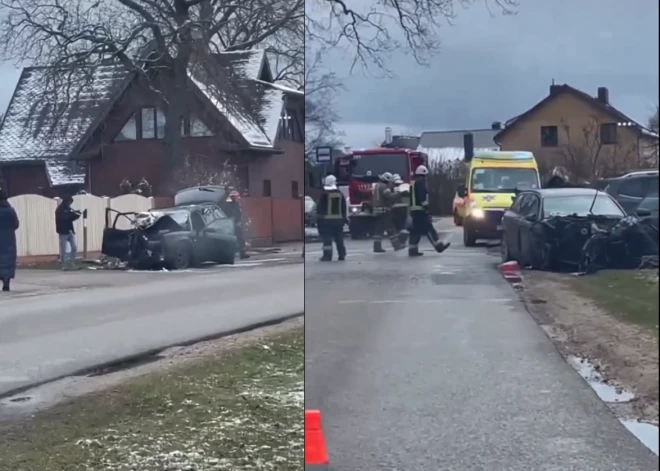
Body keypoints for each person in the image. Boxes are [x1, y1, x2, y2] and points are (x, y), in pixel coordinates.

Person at [408, 165, 451, 256]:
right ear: (423, 175)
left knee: (415, 231)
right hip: (420, 211)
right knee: (429, 228)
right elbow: (422, 198)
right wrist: (427, 209)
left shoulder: (413, 184)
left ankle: (412, 250)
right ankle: (439, 246)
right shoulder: (420, 183)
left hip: (414, 211)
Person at [315, 175, 347, 261]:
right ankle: (342, 254)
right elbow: (344, 208)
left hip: (326, 222)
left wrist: (317, 219)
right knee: (339, 239)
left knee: (327, 240)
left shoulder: (324, 195)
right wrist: (344, 219)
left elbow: (319, 208)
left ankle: (327, 256)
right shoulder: (340, 194)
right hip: (339, 222)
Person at [372, 172, 405, 253]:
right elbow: (389, 196)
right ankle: (397, 245)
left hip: (377, 210)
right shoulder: (384, 186)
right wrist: (399, 194)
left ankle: (377, 247)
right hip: (384, 211)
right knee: (391, 228)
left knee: (378, 230)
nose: (390, 184)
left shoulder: (377, 186)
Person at [0, 189, 19, 292]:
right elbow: (16, 224)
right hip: (9, 238)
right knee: (8, 260)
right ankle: (6, 281)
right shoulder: (10, 210)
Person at [55, 195, 81, 270]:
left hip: (69, 230)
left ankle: (71, 262)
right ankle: (63, 265)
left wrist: (77, 215)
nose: (70, 204)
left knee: (74, 247)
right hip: (63, 231)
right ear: (66, 202)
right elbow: (64, 218)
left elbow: (70, 218)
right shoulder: (60, 209)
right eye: (69, 202)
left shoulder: (68, 208)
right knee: (63, 249)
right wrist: (72, 214)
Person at [227, 190, 249, 259]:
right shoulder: (231, 206)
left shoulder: (237, 205)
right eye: (236, 197)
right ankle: (239, 254)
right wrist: (237, 222)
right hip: (234, 225)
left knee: (240, 240)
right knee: (237, 240)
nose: (238, 198)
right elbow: (232, 215)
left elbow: (239, 214)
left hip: (236, 225)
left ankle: (242, 254)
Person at [391, 174, 410, 243]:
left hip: (395, 209)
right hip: (404, 208)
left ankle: (400, 240)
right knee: (402, 225)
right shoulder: (405, 187)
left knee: (397, 226)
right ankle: (402, 239)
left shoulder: (391, 188)